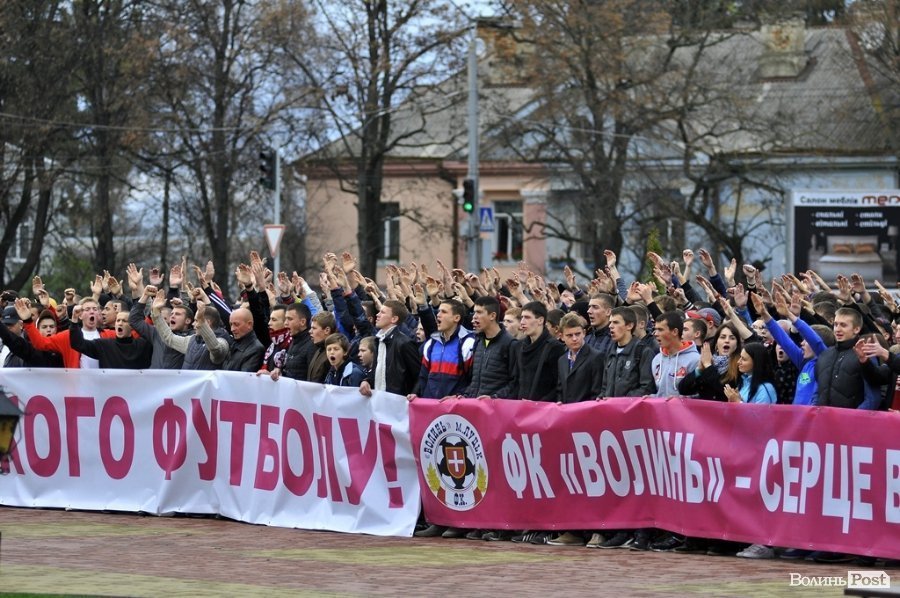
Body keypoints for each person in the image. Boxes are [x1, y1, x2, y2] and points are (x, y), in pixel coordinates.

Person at [22, 297, 116, 368]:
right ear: (80, 315)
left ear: (99, 314)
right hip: (77, 386)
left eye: (95, 309)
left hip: (103, 387)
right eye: (87, 309)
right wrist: (27, 321)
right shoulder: (68, 336)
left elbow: (126, 337)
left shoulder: (109, 335)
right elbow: (40, 343)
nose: (92, 312)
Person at [151, 292, 232, 370]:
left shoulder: (223, 342)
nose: (193, 324)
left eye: (196, 320)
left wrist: (203, 325)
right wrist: (156, 312)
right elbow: (169, 338)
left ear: (207, 323)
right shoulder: (193, 340)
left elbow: (216, 349)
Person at [414, 299, 475, 400]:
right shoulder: (431, 343)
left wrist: (459, 396)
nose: (438, 315)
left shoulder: (467, 344)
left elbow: (473, 381)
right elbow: (423, 377)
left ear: (456, 318)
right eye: (438, 311)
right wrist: (417, 395)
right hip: (430, 405)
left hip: (455, 407)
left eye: (444, 312)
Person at [359, 300, 420, 397]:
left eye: (382, 312)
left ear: (394, 319)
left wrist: (414, 394)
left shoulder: (405, 343)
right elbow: (378, 371)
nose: (377, 315)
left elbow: (419, 375)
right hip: (379, 400)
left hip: (398, 402)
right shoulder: (378, 341)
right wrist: (366, 381)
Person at [508, 301, 566, 403]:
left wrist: (538, 404)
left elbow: (559, 385)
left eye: (527, 317)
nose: (522, 322)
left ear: (540, 320)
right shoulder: (518, 346)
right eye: (522, 317)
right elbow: (515, 382)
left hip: (543, 409)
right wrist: (495, 397)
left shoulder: (555, 348)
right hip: (521, 408)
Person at [129, 284, 194, 369]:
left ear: (188, 321)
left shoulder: (194, 339)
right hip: (154, 376)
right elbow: (134, 320)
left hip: (177, 377)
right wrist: (145, 296)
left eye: (177, 314)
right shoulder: (157, 332)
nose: (172, 316)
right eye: (172, 314)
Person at [464, 296, 516, 399]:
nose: (474, 317)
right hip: (475, 404)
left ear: (492, 316)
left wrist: (494, 397)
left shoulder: (510, 344)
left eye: (479, 312)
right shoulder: (478, 341)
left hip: (495, 407)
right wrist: (464, 395)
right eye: (474, 312)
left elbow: (515, 383)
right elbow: (474, 381)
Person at [69, 312, 152, 369]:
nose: (120, 323)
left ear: (132, 326)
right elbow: (78, 344)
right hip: (110, 389)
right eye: (118, 320)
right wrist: (74, 319)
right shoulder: (104, 345)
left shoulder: (142, 345)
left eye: (124, 321)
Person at [651, 312, 700, 398]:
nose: (655, 334)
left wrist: (681, 400)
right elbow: (660, 393)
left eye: (660, 330)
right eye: (655, 329)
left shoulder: (695, 360)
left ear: (675, 332)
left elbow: (701, 396)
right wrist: (651, 398)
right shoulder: (656, 359)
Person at [223, 307, 265, 372]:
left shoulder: (256, 349)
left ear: (249, 324)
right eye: (231, 324)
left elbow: (244, 376)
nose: (232, 329)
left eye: (236, 324)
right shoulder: (234, 343)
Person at [306, 312, 337, 383]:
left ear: (327, 330)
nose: (310, 331)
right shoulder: (318, 349)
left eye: (314, 328)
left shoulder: (333, 354)